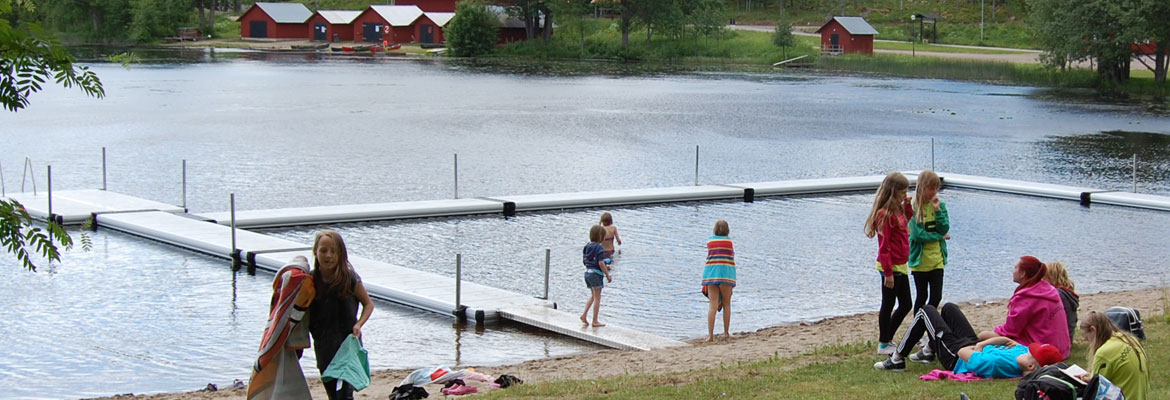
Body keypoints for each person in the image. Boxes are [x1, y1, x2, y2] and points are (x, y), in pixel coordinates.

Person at [875, 303, 1063, 378]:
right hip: (974, 345)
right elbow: (1004, 340)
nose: (1027, 349)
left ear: (1031, 366)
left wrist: (979, 347)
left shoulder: (996, 363)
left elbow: (962, 353)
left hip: (956, 357)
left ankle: (897, 359)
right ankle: (928, 351)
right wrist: (982, 344)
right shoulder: (1022, 353)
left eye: (1031, 353)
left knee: (926, 311)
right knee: (949, 308)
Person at [308, 231, 375, 400]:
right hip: (323, 345)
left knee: (344, 394)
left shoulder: (350, 278)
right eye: (323, 250)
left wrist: (359, 324)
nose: (328, 256)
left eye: (334, 251)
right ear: (315, 251)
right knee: (332, 392)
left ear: (341, 254)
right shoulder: (310, 280)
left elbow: (368, 304)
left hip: (347, 344)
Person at [247, 256, 316, 400]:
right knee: (287, 368)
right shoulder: (301, 281)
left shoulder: (286, 281)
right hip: (293, 338)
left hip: (283, 334)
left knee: (283, 369)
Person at [978, 256, 1071, 360]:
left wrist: (995, 330)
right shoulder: (1049, 290)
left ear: (1023, 273)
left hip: (1041, 348)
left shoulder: (1026, 297)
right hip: (1061, 349)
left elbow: (1010, 330)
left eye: (1015, 268)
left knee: (983, 336)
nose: (1012, 271)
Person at [865, 172, 914, 355]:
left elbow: (906, 220)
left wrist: (907, 205)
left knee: (906, 304)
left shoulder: (898, 211)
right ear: (893, 192)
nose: (905, 195)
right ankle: (884, 343)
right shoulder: (884, 215)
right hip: (890, 266)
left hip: (900, 264)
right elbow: (884, 246)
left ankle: (887, 338)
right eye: (903, 192)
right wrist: (888, 272)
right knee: (889, 303)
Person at [1079, 311, 1150, 400]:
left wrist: (1090, 380)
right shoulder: (1130, 339)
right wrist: (1091, 377)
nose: (1089, 343)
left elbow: (1096, 389)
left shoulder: (1104, 352)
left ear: (1093, 330)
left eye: (1087, 339)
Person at [909, 170, 950, 314]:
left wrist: (938, 211)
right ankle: (918, 325)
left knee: (936, 297)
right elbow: (918, 235)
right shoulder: (913, 207)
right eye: (931, 188)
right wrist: (939, 236)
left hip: (937, 260)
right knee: (922, 296)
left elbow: (945, 227)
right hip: (920, 262)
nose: (934, 192)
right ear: (922, 187)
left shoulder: (940, 205)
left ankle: (928, 321)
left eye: (936, 189)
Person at [702, 219, 736, 342]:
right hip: (726, 275)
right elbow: (732, 256)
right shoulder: (729, 242)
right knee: (727, 304)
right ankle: (726, 333)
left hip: (711, 274)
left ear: (715, 230)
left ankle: (710, 335)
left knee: (712, 306)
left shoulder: (710, 241)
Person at [580, 224, 612, 327]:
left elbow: (585, 260)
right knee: (598, 298)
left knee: (593, 296)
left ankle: (584, 315)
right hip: (596, 274)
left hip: (587, 273)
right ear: (600, 237)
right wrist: (607, 275)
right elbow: (601, 263)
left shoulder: (587, 246)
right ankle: (595, 321)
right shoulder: (599, 247)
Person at [1045, 261, 1079, 344]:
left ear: (1051, 277)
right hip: (1068, 337)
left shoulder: (1057, 295)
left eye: (1044, 278)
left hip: (1060, 340)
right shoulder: (1067, 293)